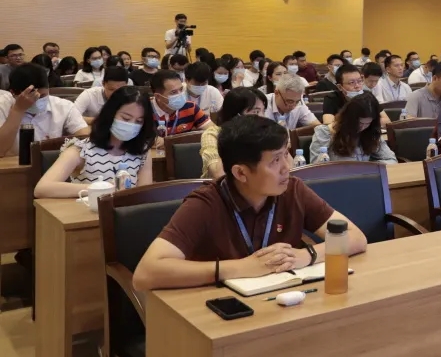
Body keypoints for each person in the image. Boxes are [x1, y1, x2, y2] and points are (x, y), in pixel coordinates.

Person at [132, 116, 368, 291]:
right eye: (275, 160)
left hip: (282, 299)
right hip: (220, 306)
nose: (287, 167)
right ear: (241, 173)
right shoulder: (205, 203)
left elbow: (355, 237)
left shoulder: (292, 190)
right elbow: (146, 273)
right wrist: (242, 267)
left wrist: (306, 256)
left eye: (286, 154)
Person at [34, 87, 157, 197]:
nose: (131, 125)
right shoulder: (82, 150)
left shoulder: (142, 151)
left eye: (139, 121)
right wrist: (101, 189)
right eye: (126, 118)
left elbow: (143, 194)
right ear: (110, 114)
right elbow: (42, 188)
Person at [0, 64, 90, 156]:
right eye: (30, 97)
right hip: (11, 163)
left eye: (42, 96)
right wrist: (18, 110)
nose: (36, 101)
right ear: (13, 93)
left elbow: (86, 140)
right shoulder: (3, 106)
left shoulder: (64, 106)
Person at [311, 92, 397, 163]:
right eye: (360, 123)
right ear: (348, 118)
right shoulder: (325, 132)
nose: (362, 127)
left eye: (367, 123)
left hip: (365, 176)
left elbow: (391, 160)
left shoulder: (370, 131)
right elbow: (316, 168)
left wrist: (369, 168)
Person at [201, 88, 267, 179]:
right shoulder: (213, 134)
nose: (262, 117)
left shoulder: (263, 134)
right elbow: (219, 175)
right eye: (256, 112)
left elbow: (285, 169)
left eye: (263, 111)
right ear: (237, 116)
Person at [151, 70, 211, 136]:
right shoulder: (145, 111)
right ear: (158, 97)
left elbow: (213, 130)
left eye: (181, 89)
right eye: (173, 92)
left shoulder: (191, 107)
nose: (180, 94)